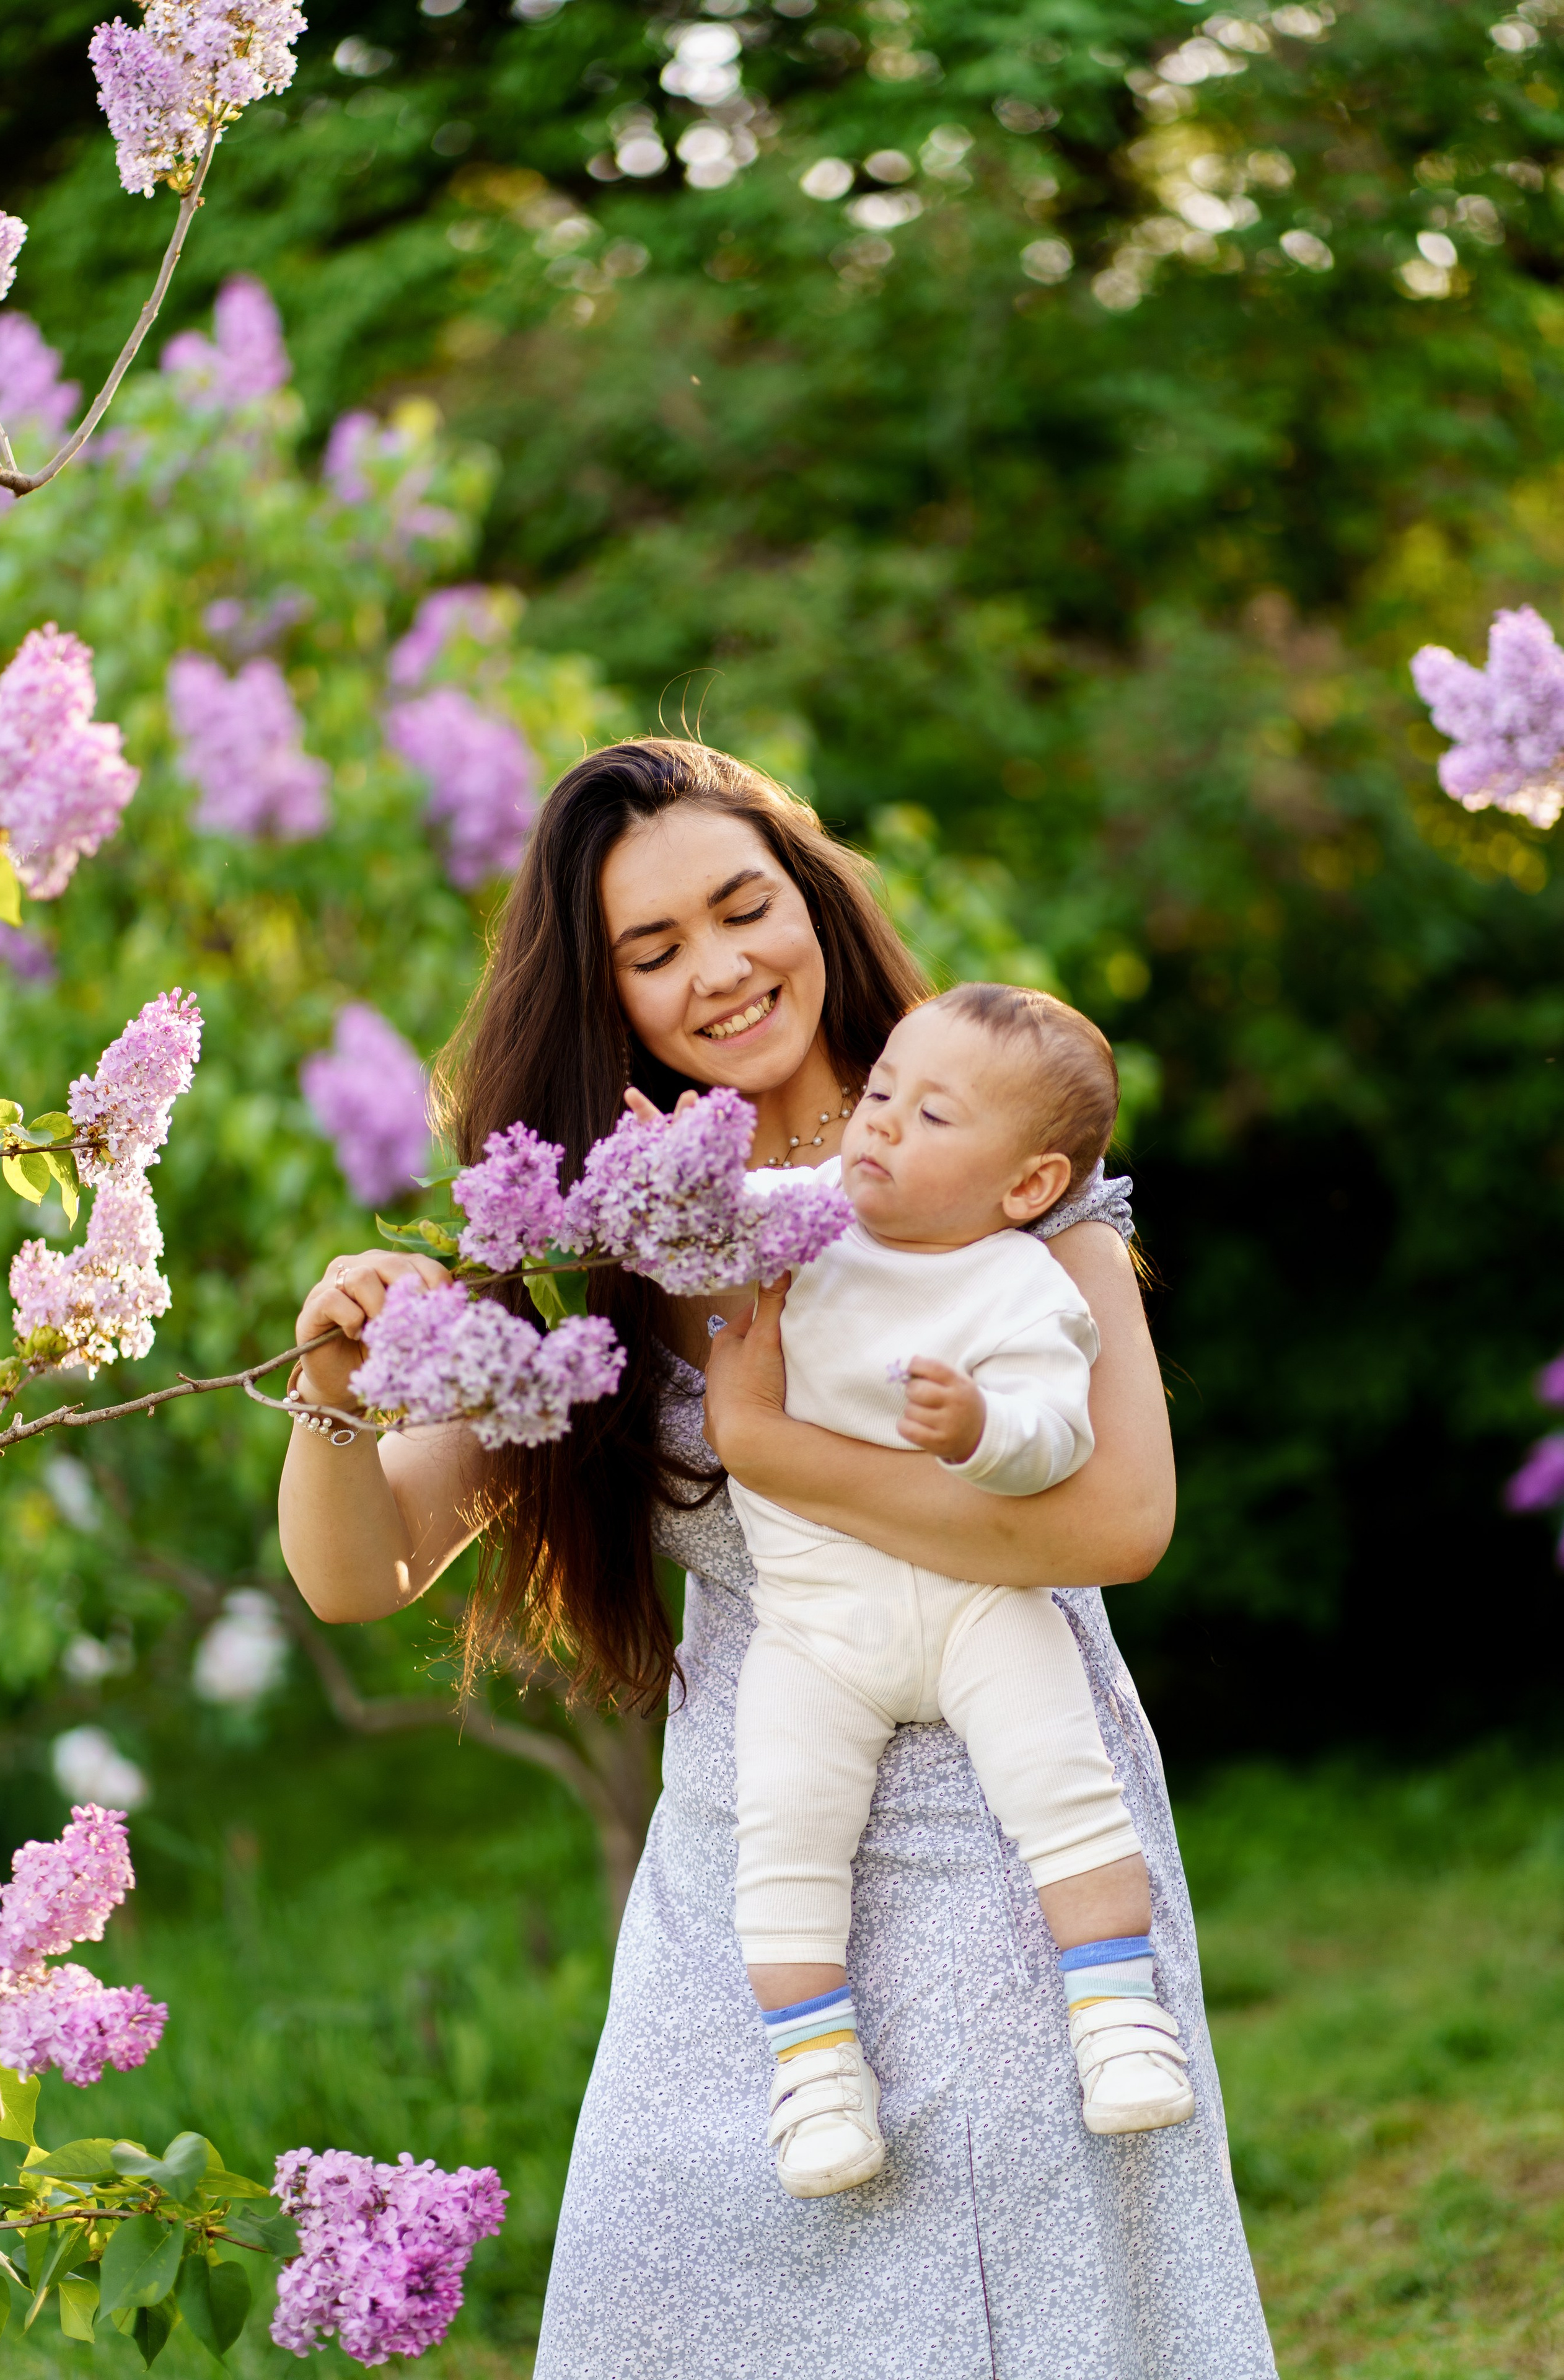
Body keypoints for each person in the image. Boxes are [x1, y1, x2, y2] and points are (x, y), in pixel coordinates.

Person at [279, 739, 1277, 2380]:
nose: (721, 971)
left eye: (745, 909)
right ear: (605, 994)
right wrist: (329, 1391)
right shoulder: (606, 1243)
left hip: (1016, 1830)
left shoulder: (996, 1148)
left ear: (812, 896)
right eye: (654, 952)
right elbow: (365, 1570)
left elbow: (1116, 1523)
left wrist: (770, 1443)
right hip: (752, 1861)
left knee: (1018, 2312)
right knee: (675, 2290)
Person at [729, 984, 1193, 2202]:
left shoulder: (1020, 1283)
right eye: (880, 1091)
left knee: (1065, 1785)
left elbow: (1053, 1440)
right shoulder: (806, 1218)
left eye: (929, 1116)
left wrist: (981, 1425)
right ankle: (815, 2070)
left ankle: (1114, 2013)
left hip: (980, 1603)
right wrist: (653, 1159)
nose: (877, 1124)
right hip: (817, 1625)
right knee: (781, 1826)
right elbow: (695, 1210)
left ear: (1028, 1185)